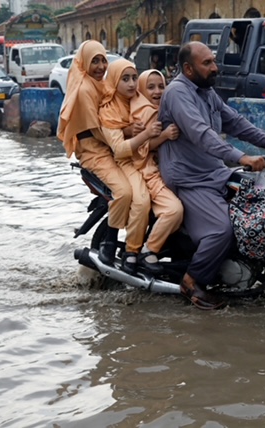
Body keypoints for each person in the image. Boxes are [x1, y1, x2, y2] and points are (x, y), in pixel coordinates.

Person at [157, 41, 265, 310]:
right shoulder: (177, 92)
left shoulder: (206, 92)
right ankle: (192, 281)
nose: (215, 67)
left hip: (214, 171)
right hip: (189, 178)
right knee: (224, 228)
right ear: (188, 68)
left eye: (213, 61)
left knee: (254, 209)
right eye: (207, 63)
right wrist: (241, 158)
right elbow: (200, 133)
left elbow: (236, 123)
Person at [57, 41, 137, 269]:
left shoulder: (98, 84)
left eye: (103, 60)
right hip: (94, 151)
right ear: (83, 62)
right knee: (123, 192)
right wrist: (126, 133)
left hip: (109, 147)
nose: (101, 66)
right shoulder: (84, 89)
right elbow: (98, 130)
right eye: (95, 61)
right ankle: (110, 241)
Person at [97, 59, 158, 274]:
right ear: (114, 81)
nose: (132, 84)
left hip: (148, 158)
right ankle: (131, 251)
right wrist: (144, 134)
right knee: (140, 200)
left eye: (134, 78)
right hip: (126, 160)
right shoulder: (109, 111)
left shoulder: (139, 101)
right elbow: (120, 150)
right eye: (125, 79)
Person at [129, 69, 184, 273]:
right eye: (150, 87)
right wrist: (165, 136)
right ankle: (148, 251)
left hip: (164, 169)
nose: (157, 91)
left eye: (161, 86)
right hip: (148, 171)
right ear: (141, 89)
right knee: (174, 210)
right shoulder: (145, 113)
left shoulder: (162, 110)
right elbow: (143, 147)